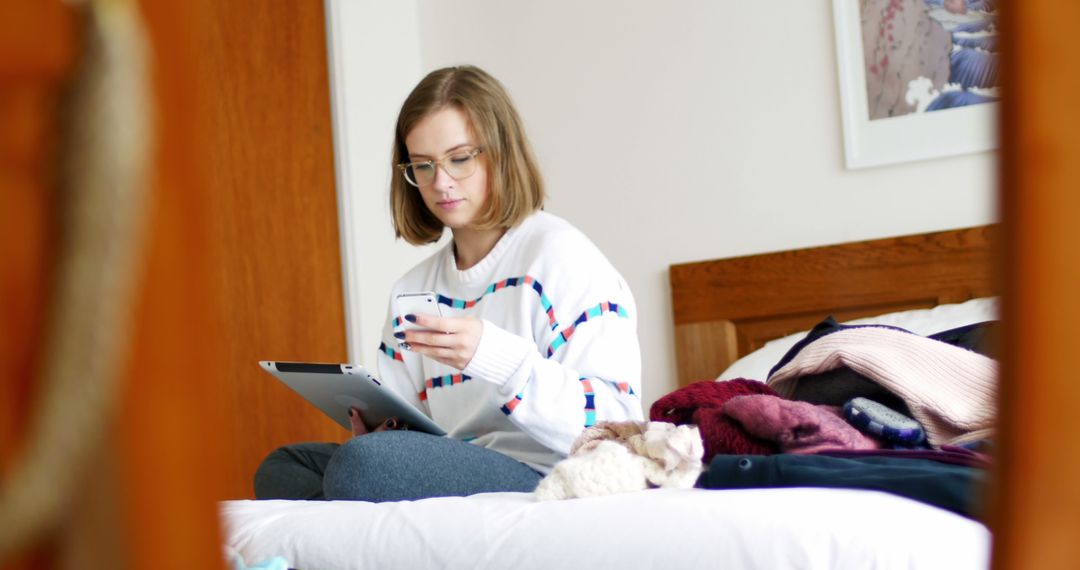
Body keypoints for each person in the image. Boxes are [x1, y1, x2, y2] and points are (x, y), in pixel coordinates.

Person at [254, 65, 643, 502]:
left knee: (360, 468)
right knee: (285, 466)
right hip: (448, 463)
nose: (441, 183)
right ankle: (359, 503)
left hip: (542, 473)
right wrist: (383, 432)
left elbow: (619, 425)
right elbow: (416, 431)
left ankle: (354, 503)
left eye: (459, 158)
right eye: (422, 165)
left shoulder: (562, 257)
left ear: (500, 151)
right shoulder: (412, 287)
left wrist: (500, 360)